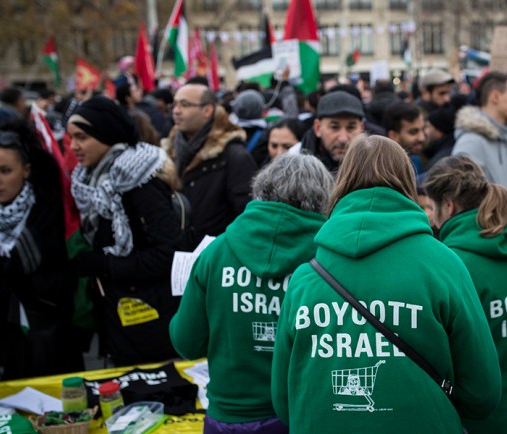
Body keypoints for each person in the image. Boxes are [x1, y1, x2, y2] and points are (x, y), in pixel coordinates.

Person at [271, 135, 501, 433]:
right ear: (406, 183)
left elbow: (284, 401)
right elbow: (483, 393)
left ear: (342, 183)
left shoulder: (305, 278)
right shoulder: (444, 264)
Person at [170, 153, 333, 434]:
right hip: (298, 415)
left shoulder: (217, 252)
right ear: (324, 200)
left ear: (262, 189)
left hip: (228, 417)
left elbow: (186, 343)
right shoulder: (328, 261)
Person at [424, 154, 507, 434]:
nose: (430, 217)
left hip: (476, 422)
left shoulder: (453, 265)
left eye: (431, 207)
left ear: (448, 205)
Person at [68, 96, 183, 366]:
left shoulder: (140, 184)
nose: (74, 146)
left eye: (82, 137)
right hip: (118, 314)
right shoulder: (91, 180)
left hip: (151, 320)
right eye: (71, 137)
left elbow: (169, 254)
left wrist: (105, 264)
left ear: (106, 135)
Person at [0, 121, 82, 381]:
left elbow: (60, 275)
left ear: (26, 170)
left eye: (5, 171)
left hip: (48, 334)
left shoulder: (48, 208)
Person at [164, 83, 258, 241]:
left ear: (207, 110)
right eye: (174, 104)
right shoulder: (170, 152)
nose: (176, 111)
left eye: (185, 105)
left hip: (216, 257)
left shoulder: (235, 156)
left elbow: (248, 218)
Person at [452, 70, 507, 211]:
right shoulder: (471, 142)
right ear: (495, 97)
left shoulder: (503, 136)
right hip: (494, 231)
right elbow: (468, 204)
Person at [296, 91, 364, 172]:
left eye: (351, 127)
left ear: (361, 129)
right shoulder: (295, 162)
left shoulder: (375, 166)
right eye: (334, 127)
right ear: (317, 128)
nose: (343, 139)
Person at [382, 101, 426, 174]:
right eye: (413, 132)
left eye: (423, 129)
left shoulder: (416, 160)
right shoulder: (382, 170)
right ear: (393, 135)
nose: (422, 138)